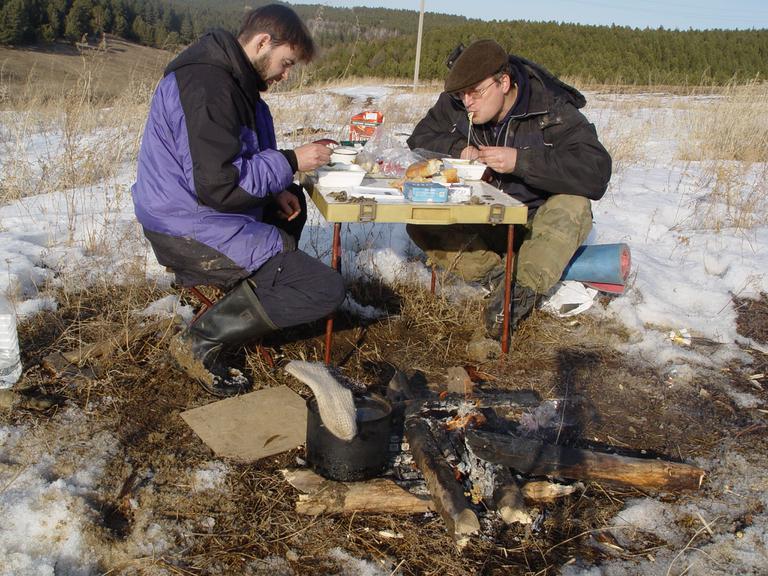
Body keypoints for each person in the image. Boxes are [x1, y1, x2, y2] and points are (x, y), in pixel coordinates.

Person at [131, 4, 345, 397]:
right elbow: (218, 183)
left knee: (291, 200)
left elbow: (235, 163)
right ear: (263, 42)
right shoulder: (207, 86)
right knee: (326, 290)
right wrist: (293, 160)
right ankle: (200, 342)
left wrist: (279, 184)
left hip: (200, 211)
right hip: (184, 225)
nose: (286, 74)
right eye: (287, 62)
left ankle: (254, 291)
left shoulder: (238, 85)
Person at [406, 39, 612, 339]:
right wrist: (459, 150)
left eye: (475, 93)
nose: (467, 103)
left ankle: (517, 295)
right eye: (462, 94)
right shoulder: (458, 101)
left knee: (573, 205)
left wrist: (521, 162)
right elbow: (420, 138)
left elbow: (596, 172)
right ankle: (500, 277)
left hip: (536, 228)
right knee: (420, 221)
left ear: (504, 82)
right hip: (482, 220)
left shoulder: (551, 109)